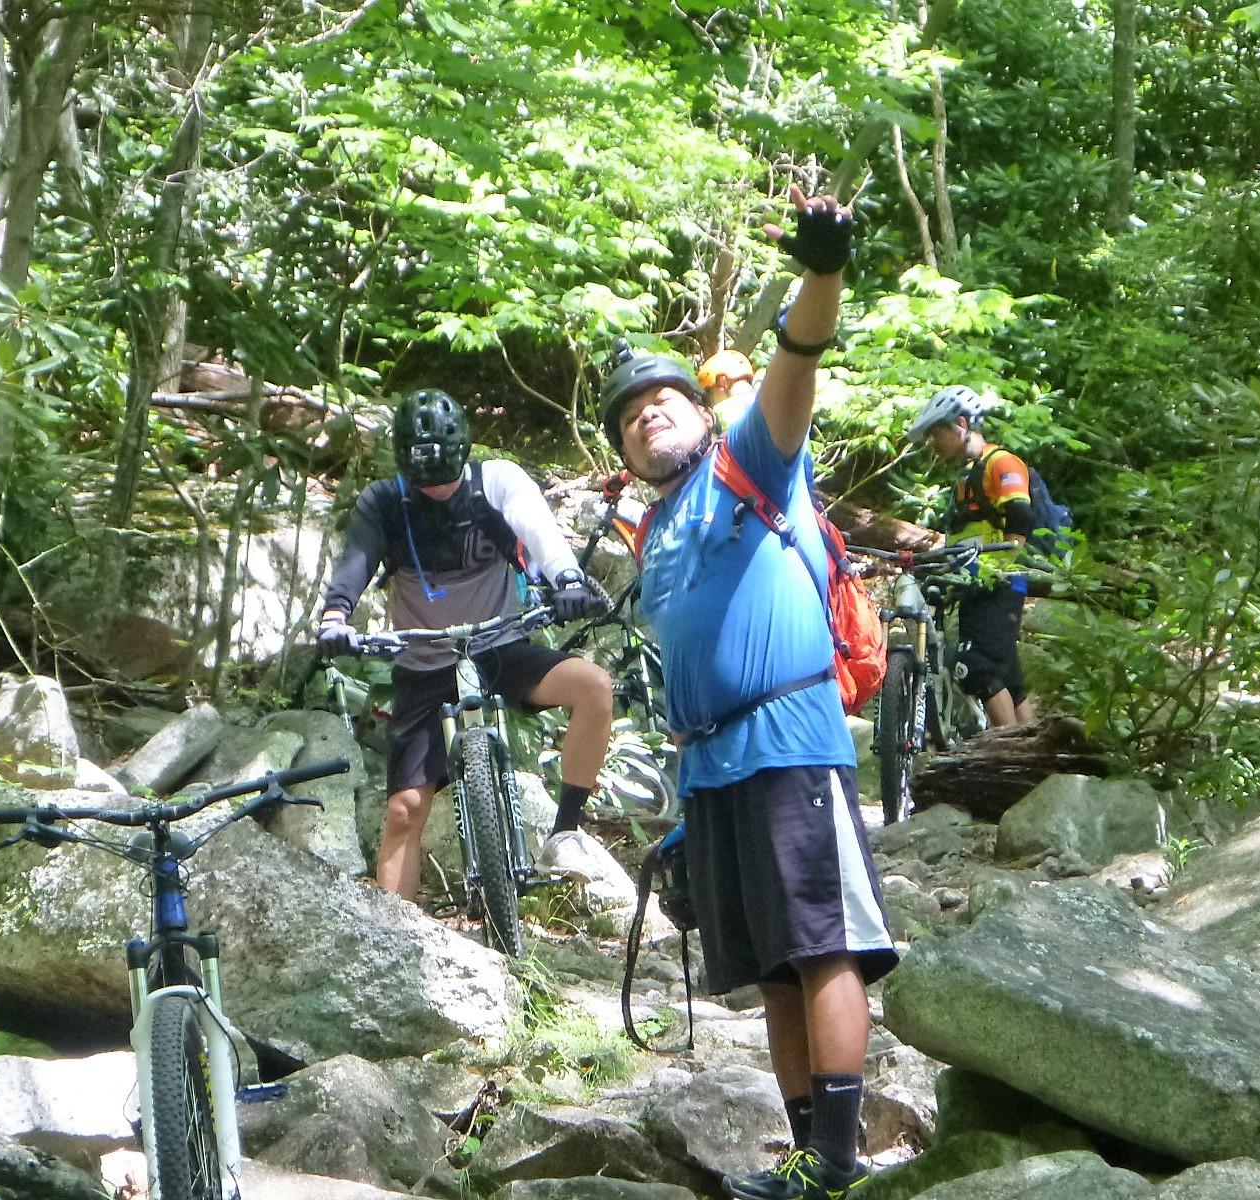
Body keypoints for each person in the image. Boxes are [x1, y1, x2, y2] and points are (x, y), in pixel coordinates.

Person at [602, 189, 894, 1200]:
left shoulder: (750, 460)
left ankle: (841, 1161)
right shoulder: (653, 530)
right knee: (770, 965)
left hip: (788, 738)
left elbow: (796, 364)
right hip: (711, 763)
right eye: (630, 419)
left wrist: (819, 272)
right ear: (625, 456)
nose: (647, 418)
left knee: (821, 944)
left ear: (700, 408)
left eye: (662, 401)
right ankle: (807, 1153)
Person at [317, 389, 616, 898]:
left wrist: (566, 578)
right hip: (425, 664)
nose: (436, 490)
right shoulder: (385, 502)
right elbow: (356, 562)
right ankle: (393, 935)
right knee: (403, 809)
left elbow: (536, 527)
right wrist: (334, 615)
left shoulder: (494, 481)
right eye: (422, 477)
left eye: (445, 476)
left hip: (502, 649)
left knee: (593, 687)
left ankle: (565, 829)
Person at [907, 385, 1038, 727]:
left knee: (976, 666)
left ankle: (1005, 759)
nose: (932, 442)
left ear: (961, 424)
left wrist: (999, 570)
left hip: (1000, 583)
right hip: (975, 583)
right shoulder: (967, 475)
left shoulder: (1001, 462)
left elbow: (1020, 518)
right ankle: (1033, 757)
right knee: (1008, 676)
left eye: (937, 432)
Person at [698, 347, 758, 425]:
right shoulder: (766, 396)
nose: (710, 401)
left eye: (709, 392)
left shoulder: (722, 412)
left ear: (722, 381)